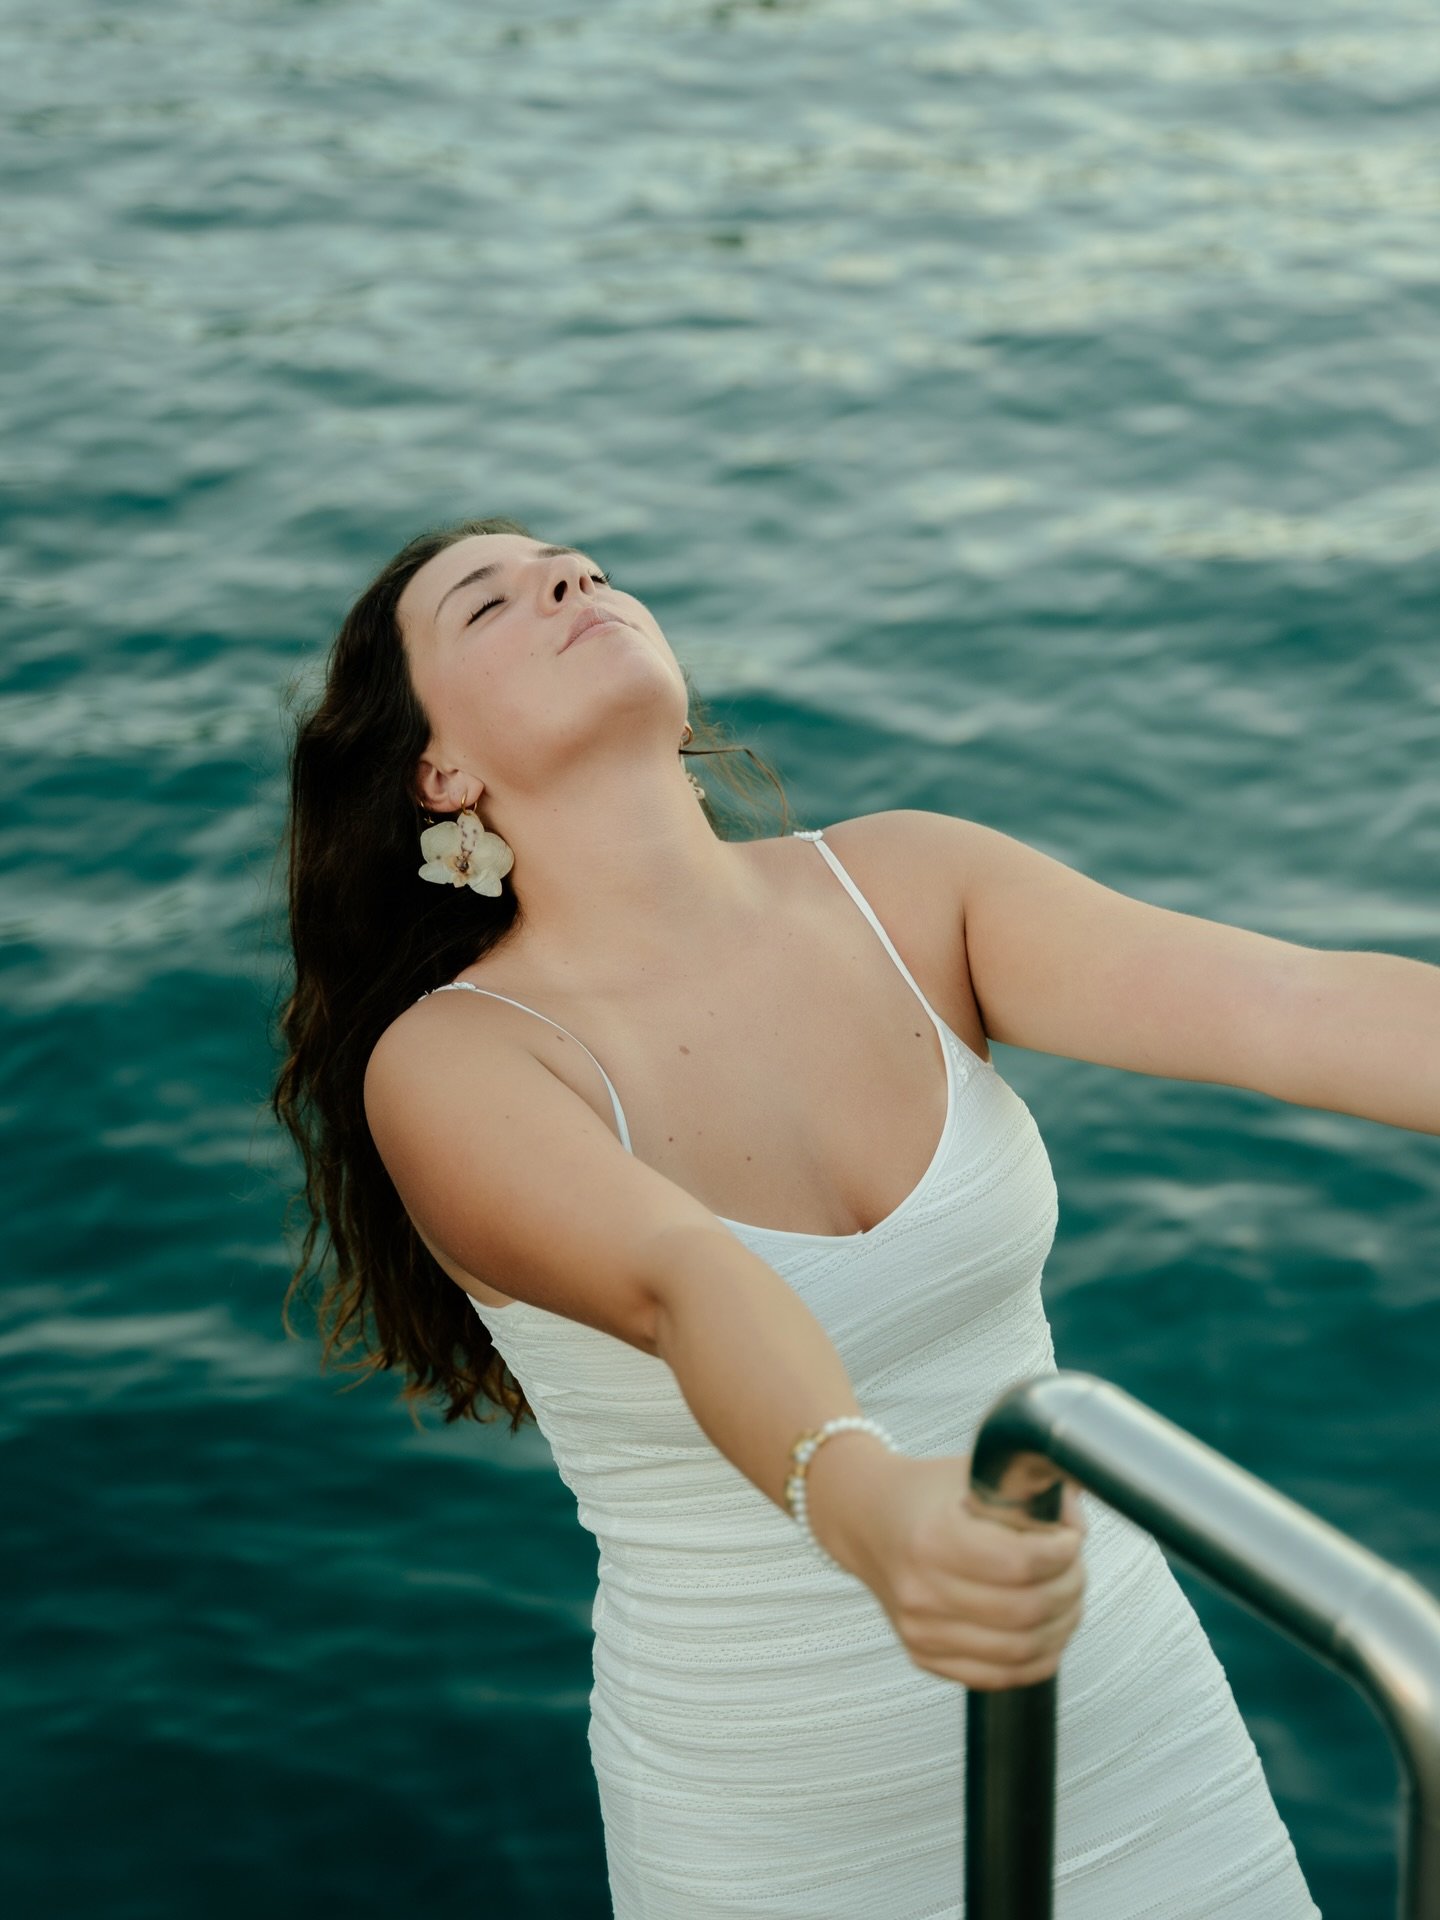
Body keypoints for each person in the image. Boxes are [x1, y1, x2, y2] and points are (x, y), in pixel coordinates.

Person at [275, 511, 1439, 1917]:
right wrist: (866, 1498)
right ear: (439, 771)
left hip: (1123, 1723)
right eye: (491, 602)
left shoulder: (908, 887)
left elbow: (1290, 1005)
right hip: (780, 1816)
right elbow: (682, 1280)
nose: (569, 580)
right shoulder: (454, 1060)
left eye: (573, 565)